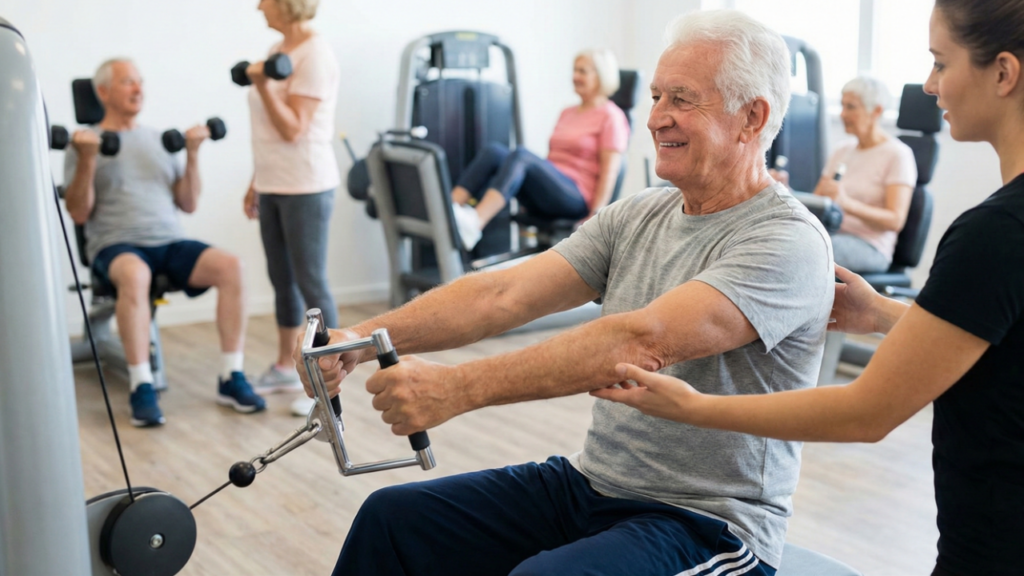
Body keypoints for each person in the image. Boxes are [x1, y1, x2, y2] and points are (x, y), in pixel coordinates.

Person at [300, 11, 833, 575]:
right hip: (590, 484)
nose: (656, 118)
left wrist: (457, 387)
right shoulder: (639, 213)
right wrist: (357, 339)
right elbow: (504, 293)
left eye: (682, 99)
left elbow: (639, 340)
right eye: (655, 96)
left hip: (708, 523)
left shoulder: (787, 241)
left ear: (752, 117)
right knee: (393, 519)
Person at [592, 2, 1024, 574]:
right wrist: (886, 314)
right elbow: (1004, 336)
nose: (929, 84)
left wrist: (697, 407)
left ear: (1003, 73)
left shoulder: (994, 233)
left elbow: (865, 413)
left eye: (941, 63)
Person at [64, 59, 265, 427]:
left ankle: (230, 376)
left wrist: (191, 154)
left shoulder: (159, 139)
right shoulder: (84, 144)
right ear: (104, 92)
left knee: (232, 266)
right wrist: (88, 159)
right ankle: (142, 384)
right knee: (136, 274)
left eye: (140, 81)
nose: (139, 89)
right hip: (116, 246)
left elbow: (187, 203)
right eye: (128, 83)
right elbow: (78, 213)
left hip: (169, 242)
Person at [241, 0, 341, 416]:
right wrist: (255, 181)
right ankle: (286, 366)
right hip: (274, 182)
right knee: (282, 280)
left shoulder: (315, 54)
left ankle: (327, 386)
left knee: (311, 282)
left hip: (307, 184)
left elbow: (293, 128)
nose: (258, 5)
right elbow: (267, 131)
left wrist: (262, 83)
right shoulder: (277, 51)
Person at [449, 49, 630, 250]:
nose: (575, 76)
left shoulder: (611, 116)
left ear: (601, 76)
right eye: (574, 70)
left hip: (576, 197)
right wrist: (531, 188)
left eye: (582, 71)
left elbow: (610, 171)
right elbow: (552, 161)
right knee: (494, 152)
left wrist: (597, 214)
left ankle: (475, 223)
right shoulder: (568, 112)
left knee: (522, 156)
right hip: (553, 190)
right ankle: (450, 211)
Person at [810, 75, 918, 273]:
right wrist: (786, 191)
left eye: (851, 107)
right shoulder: (842, 150)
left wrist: (847, 203)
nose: (842, 114)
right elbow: (818, 202)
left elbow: (895, 220)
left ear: (876, 111)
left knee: (808, 250)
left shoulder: (898, 155)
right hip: (832, 234)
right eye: (842, 105)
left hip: (870, 246)